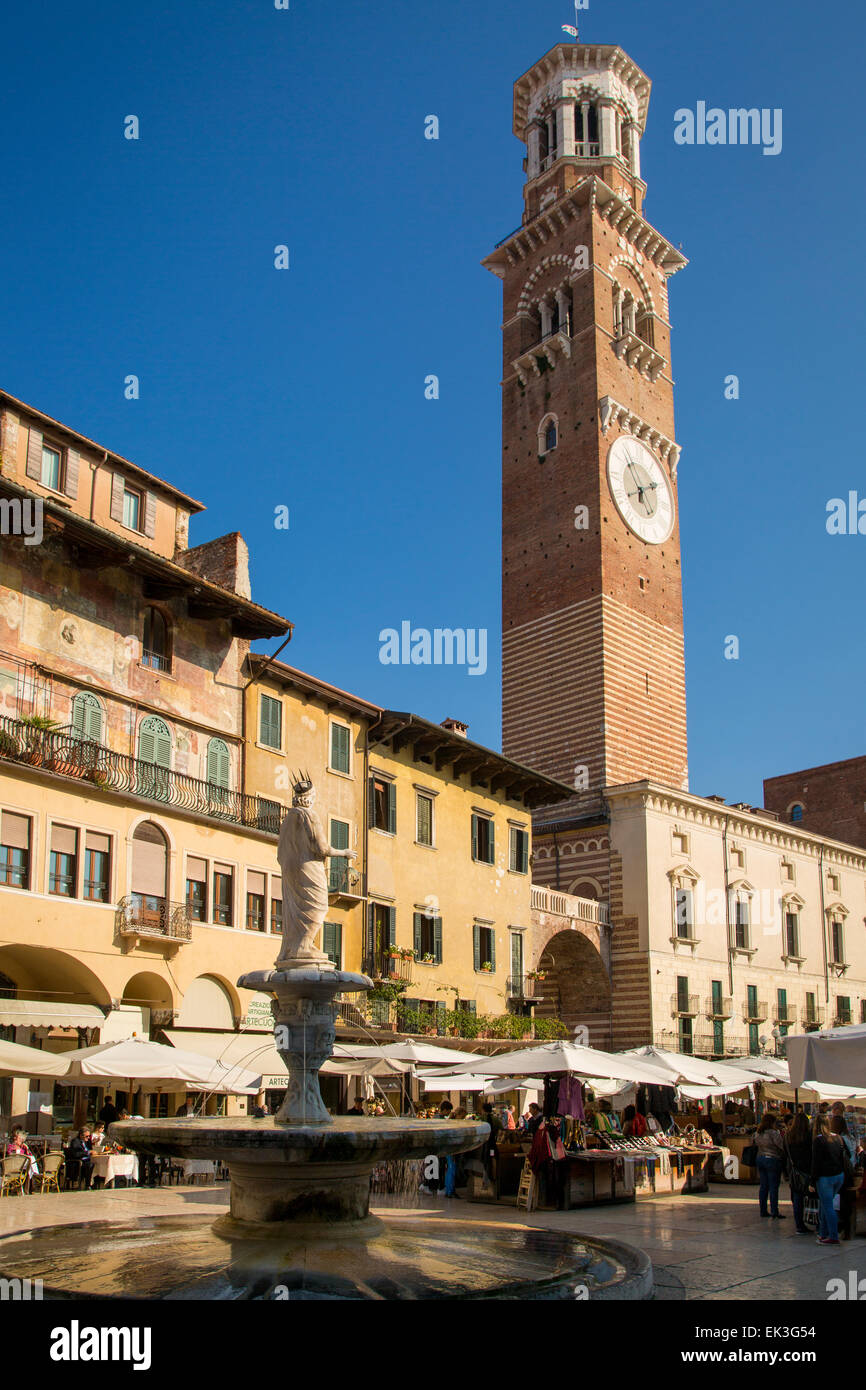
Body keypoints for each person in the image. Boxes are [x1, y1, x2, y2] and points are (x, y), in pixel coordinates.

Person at [811, 1114, 846, 1245]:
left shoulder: (818, 1140)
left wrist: (812, 1181)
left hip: (825, 1177)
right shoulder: (838, 1138)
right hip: (839, 1175)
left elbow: (816, 1162)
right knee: (826, 1205)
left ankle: (832, 1235)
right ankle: (824, 1233)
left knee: (827, 1206)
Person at [783, 1112, 813, 1235]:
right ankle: (814, 1221)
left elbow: (785, 1153)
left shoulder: (788, 1136)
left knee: (797, 1198)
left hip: (794, 1171)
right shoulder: (809, 1136)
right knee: (812, 1196)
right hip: (807, 1170)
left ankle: (799, 1225)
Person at [753, 1113, 786, 1219]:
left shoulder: (757, 1133)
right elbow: (781, 1145)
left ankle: (763, 1210)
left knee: (763, 1186)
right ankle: (774, 1211)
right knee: (773, 1186)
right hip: (772, 1159)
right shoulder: (773, 1133)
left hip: (760, 1158)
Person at [830, 1115, 856, 1240]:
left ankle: (841, 1228)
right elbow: (852, 1157)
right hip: (848, 1173)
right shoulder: (849, 1137)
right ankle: (846, 1229)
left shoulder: (839, 1138)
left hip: (840, 1173)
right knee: (845, 1203)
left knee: (840, 1202)